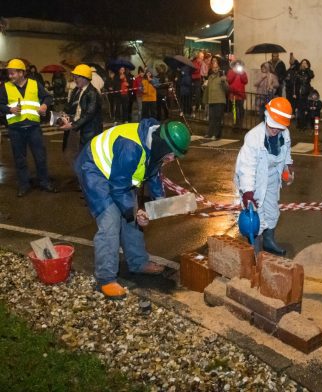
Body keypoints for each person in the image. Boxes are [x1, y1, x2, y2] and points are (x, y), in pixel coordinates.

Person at [75, 119, 191, 299]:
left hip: (118, 175)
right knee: (111, 221)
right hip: (94, 171)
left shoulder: (154, 144)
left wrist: (160, 202)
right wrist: (135, 212)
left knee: (131, 218)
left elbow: (153, 171)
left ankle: (138, 263)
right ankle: (105, 279)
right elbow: (118, 188)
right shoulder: (131, 148)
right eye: (171, 155)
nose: (171, 160)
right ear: (163, 146)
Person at [234, 97, 294, 256]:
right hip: (254, 180)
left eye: (279, 127)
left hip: (272, 176)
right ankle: (254, 247)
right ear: (267, 117)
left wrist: (287, 168)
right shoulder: (253, 137)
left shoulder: (285, 134)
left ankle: (269, 241)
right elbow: (246, 167)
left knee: (272, 211)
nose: (276, 130)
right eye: (273, 126)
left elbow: (286, 152)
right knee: (256, 215)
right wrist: (248, 191)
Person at [0, 58, 56, 196]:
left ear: (21, 73)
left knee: (40, 157)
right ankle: (24, 185)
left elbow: (48, 97)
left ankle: (44, 182)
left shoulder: (34, 84)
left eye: (13, 73)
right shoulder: (5, 87)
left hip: (33, 128)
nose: (10, 76)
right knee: (20, 159)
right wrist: (9, 110)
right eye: (9, 73)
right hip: (15, 129)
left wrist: (44, 105)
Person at [60, 64, 103, 151]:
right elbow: (70, 105)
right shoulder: (76, 90)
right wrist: (63, 113)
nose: (74, 80)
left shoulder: (93, 93)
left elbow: (89, 114)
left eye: (76, 77)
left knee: (86, 155)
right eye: (74, 77)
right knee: (72, 153)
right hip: (76, 128)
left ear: (85, 78)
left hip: (89, 131)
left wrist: (72, 125)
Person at [203, 57, 228, 139]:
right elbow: (207, 89)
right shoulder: (210, 77)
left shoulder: (222, 77)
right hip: (211, 100)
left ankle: (216, 134)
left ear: (219, 68)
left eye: (216, 67)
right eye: (214, 67)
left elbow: (227, 89)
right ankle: (210, 133)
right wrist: (205, 100)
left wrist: (224, 81)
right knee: (211, 118)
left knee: (217, 118)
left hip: (220, 101)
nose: (215, 69)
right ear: (212, 68)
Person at [293, 59, 314, 129]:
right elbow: (295, 83)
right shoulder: (298, 72)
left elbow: (311, 76)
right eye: (302, 63)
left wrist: (307, 69)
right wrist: (294, 93)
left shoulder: (309, 72)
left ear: (308, 64)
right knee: (299, 108)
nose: (304, 64)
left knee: (307, 108)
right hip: (299, 93)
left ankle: (305, 124)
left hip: (307, 92)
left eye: (305, 63)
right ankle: (299, 124)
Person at [226, 60, 248, 130]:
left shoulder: (243, 72)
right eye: (236, 64)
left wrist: (242, 73)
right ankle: (235, 123)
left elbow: (245, 81)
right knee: (234, 109)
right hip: (233, 94)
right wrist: (234, 73)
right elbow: (229, 80)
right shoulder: (230, 71)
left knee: (241, 109)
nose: (237, 66)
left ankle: (240, 123)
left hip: (240, 94)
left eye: (239, 64)